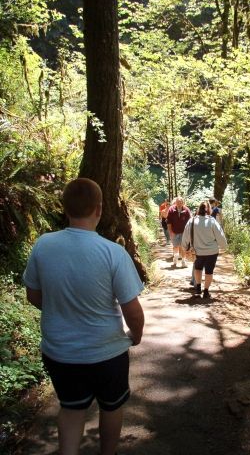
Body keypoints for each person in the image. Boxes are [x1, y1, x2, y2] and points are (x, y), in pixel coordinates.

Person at [23, 178, 145, 455]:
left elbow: (33, 295)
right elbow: (133, 312)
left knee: (71, 408)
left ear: (64, 208)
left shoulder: (43, 245)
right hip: (107, 353)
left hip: (60, 352)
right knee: (112, 406)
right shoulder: (113, 253)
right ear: (99, 209)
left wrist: (62, 310)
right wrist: (135, 337)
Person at [182, 200, 228, 299]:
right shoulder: (212, 221)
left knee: (197, 269)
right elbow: (220, 235)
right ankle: (206, 291)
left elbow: (185, 235)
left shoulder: (192, 221)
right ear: (209, 210)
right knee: (209, 271)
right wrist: (224, 246)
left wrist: (185, 247)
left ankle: (198, 288)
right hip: (212, 252)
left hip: (197, 252)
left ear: (198, 209)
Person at [167, 196, 191, 268]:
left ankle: (183, 261)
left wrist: (188, 232)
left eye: (180, 202)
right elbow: (169, 222)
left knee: (183, 247)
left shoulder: (186, 210)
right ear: (175, 202)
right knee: (175, 246)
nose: (179, 204)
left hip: (184, 232)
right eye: (177, 202)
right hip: (174, 232)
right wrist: (170, 232)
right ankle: (175, 260)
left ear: (183, 203)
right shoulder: (171, 209)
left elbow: (189, 222)